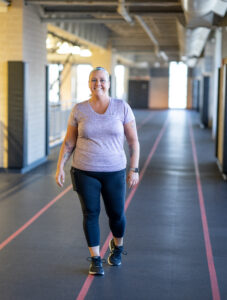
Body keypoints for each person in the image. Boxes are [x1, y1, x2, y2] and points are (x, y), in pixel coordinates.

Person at [55, 66, 140, 276]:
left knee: (116, 215)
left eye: (102, 80)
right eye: (93, 80)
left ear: (109, 83)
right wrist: (60, 166)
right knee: (90, 213)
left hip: (115, 171)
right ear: (89, 83)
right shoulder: (79, 110)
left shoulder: (121, 108)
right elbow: (69, 142)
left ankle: (117, 247)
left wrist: (134, 169)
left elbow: (133, 142)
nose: (98, 84)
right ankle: (95, 259)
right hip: (85, 171)